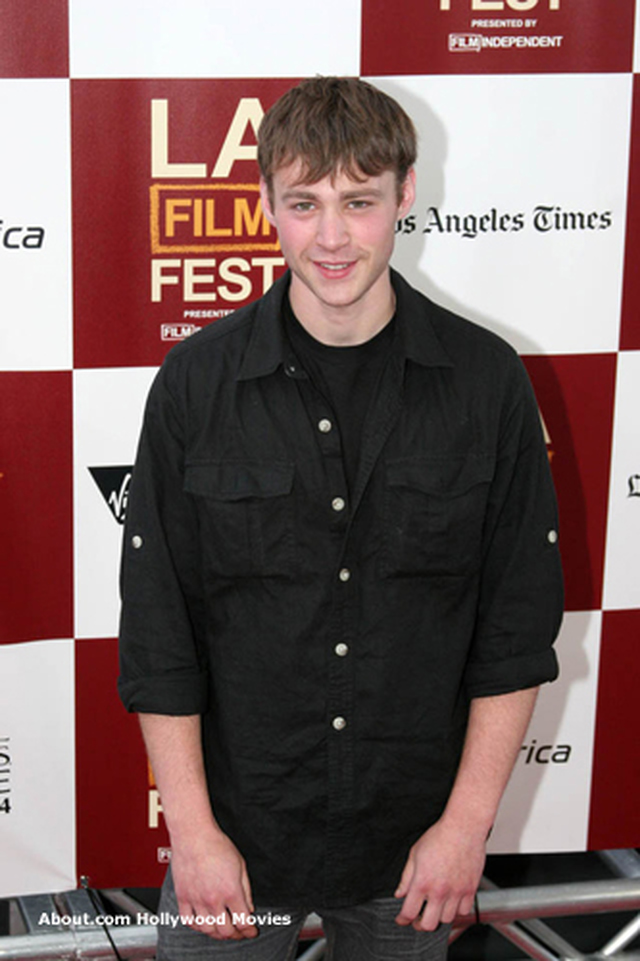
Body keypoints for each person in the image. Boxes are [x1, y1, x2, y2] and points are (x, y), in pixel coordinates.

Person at [118, 76, 563, 960]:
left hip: (415, 848)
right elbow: (159, 632)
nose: (331, 237)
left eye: (358, 201)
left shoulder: (487, 383)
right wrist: (192, 836)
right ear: (266, 204)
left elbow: (515, 632)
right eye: (304, 203)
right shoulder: (194, 384)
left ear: (405, 194)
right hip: (234, 841)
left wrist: (466, 827)